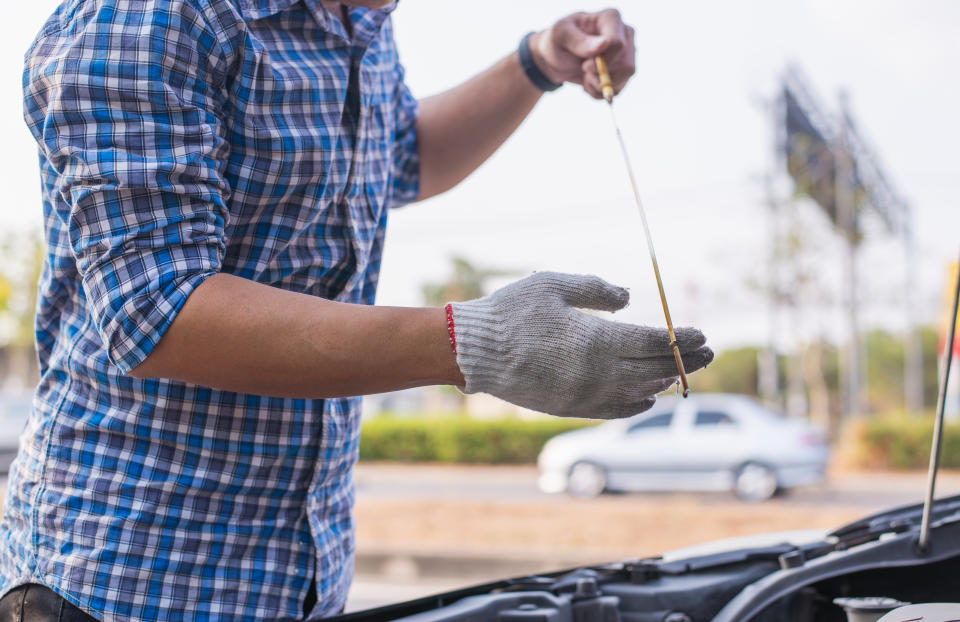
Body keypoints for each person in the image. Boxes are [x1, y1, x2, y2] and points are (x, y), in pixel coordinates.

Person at [0, 1, 713, 620]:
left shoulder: (360, 19)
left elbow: (403, 155)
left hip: (298, 573)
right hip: (130, 579)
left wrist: (535, 63)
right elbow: (160, 310)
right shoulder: (148, 16)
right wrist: (476, 343)